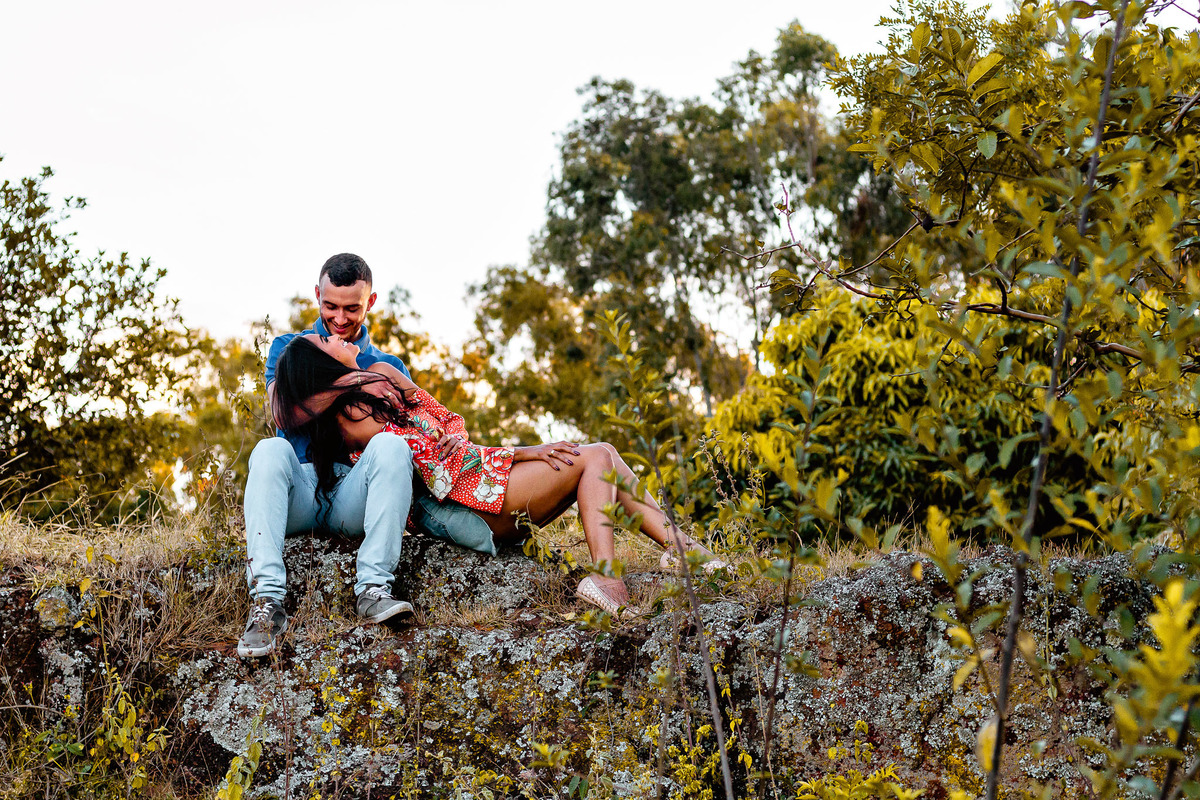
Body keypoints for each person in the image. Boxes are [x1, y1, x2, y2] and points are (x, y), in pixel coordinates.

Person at [271, 334, 725, 618]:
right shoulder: (352, 413)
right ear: (323, 368)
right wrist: (524, 452)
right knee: (594, 459)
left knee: (603, 450)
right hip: (471, 499)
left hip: (480, 475)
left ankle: (683, 549)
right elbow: (431, 465)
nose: (336, 335)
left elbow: (447, 422)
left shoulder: (383, 376)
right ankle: (607, 579)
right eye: (325, 343)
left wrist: (460, 437)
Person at [238, 253, 495, 658]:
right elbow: (282, 411)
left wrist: (458, 437)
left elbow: (424, 420)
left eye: (352, 307)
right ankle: (267, 604)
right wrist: (357, 378)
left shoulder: (389, 365)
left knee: (392, 446)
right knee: (269, 449)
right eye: (330, 306)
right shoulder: (292, 347)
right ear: (317, 296)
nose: (339, 318)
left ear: (370, 302)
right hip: (297, 492)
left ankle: (373, 589)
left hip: (353, 496)